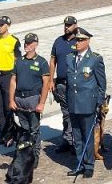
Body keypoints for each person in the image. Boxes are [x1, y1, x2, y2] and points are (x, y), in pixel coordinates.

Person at [65, 27, 106, 179]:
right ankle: (79, 163)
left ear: (88, 41)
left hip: (88, 104)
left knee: (87, 136)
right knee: (77, 137)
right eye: (77, 40)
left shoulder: (95, 59)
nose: (78, 42)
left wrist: (99, 103)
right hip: (73, 103)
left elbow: (101, 84)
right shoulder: (70, 57)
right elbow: (70, 82)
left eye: (81, 40)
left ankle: (89, 165)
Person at [10, 32, 51, 162]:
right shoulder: (19, 61)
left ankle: (35, 156)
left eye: (29, 43)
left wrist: (42, 103)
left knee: (34, 130)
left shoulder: (42, 62)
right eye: (25, 43)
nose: (26, 45)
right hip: (20, 99)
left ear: (35, 44)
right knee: (24, 129)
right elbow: (13, 81)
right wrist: (11, 99)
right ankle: (25, 153)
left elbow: (46, 83)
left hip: (33, 99)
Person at [49, 15, 80, 153]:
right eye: (65, 25)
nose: (67, 27)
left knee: (75, 113)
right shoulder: (58, 41)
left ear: (75, 25)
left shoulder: (79, 41)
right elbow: (52, 60)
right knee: (65, 113)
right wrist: (51, 80)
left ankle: (76, 141)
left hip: (75, 84)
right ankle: (67, 140)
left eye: (69, 25)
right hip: (61, 83)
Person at [0, 15, 21, 146]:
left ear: (8, 26)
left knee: (8, 107)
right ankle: (3, 134)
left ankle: (11, 133)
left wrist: (16, 78)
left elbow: (18, 61)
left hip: (8, 76)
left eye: (1, 25)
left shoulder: (14, 41)